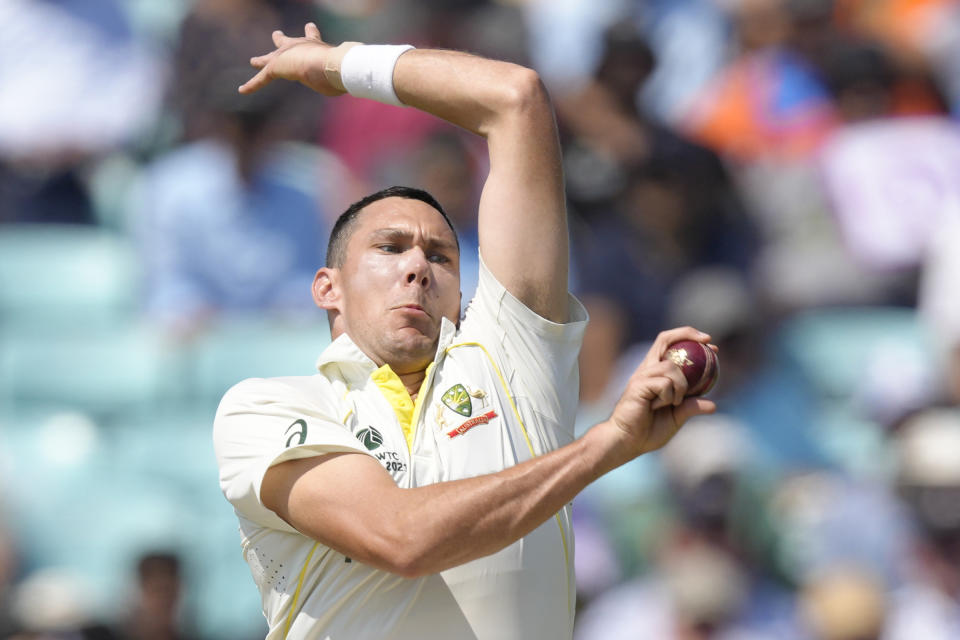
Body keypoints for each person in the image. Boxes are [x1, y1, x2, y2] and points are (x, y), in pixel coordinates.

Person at [213, 22, 717, 640]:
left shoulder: (510, 360)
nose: (418, 266)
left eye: (441, 256)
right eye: (390, 247)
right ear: (327, 287)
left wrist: (342, 63)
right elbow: (400, 538)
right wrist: (606, 444)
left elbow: (516, 97)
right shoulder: (266, 407)